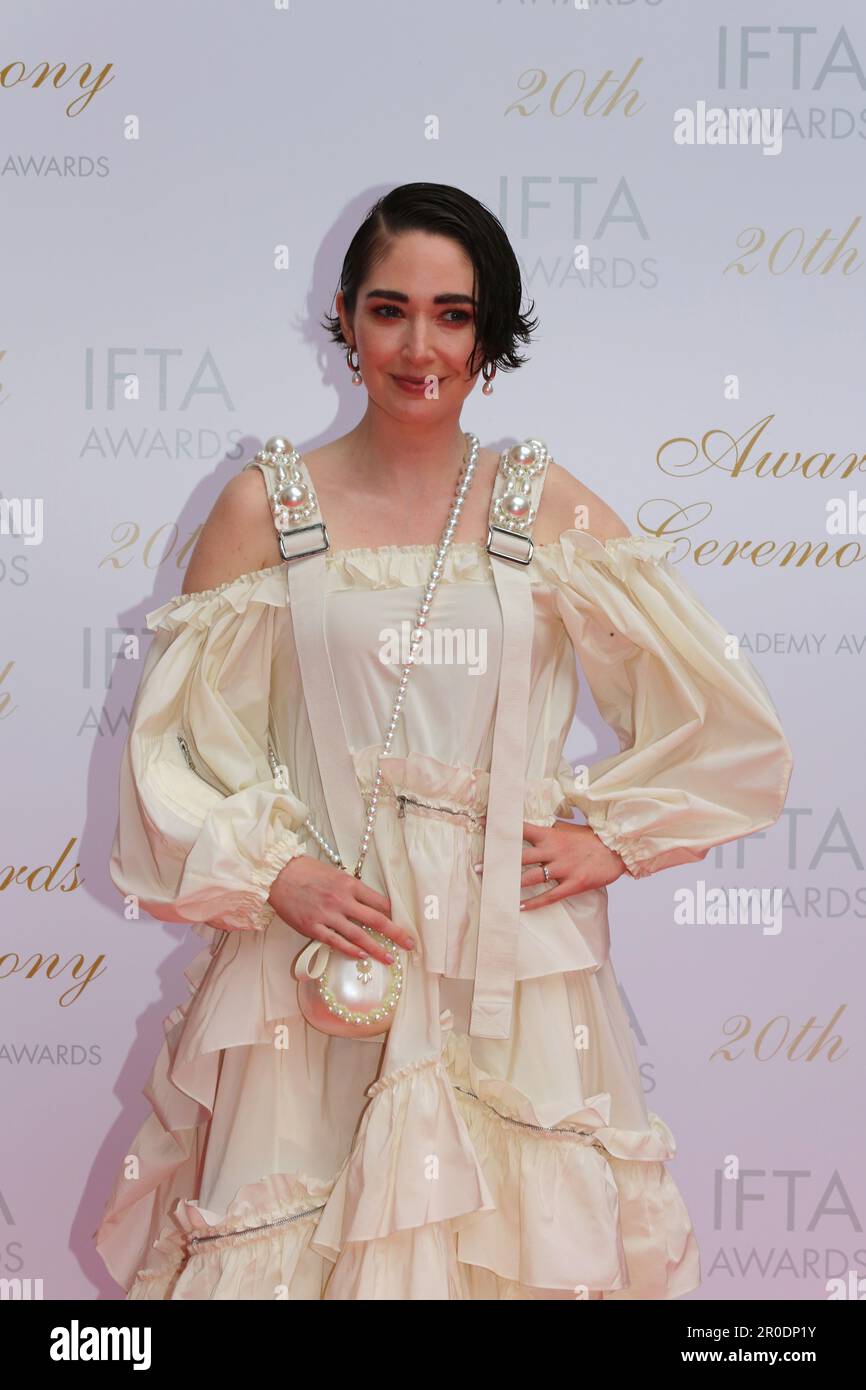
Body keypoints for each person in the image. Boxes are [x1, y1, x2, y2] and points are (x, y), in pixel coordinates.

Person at [93, 182, 793, 1301]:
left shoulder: (543, 504)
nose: (420, 345)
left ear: (490, 331)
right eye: (389, 309)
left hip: (512, 973)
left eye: (453, 314)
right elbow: (170, 756)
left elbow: (720, 718)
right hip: (325, 968)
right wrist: (281, 873)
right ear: (344, 317)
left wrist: (609, 836)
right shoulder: (258, 510)